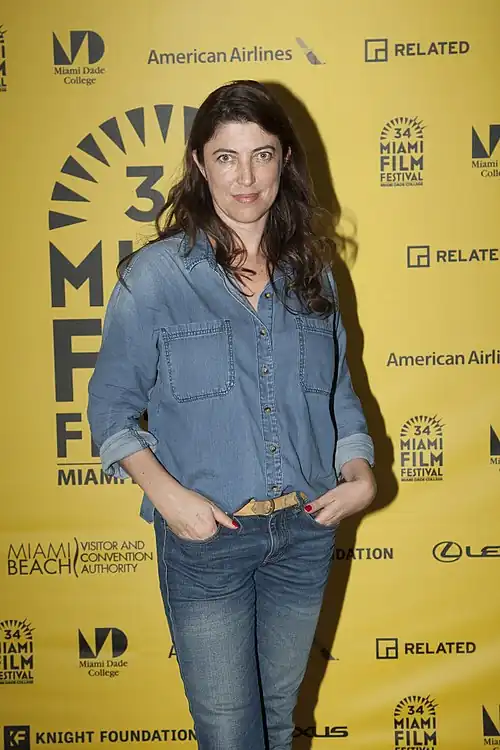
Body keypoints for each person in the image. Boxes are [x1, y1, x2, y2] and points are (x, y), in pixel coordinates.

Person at [87, 79, 376, 750]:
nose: (245, 178)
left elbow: (337, 392)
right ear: (199, 164)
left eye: (262, 155)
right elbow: (110, 411)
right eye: (226, 157)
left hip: (303, 535)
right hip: (206, 542)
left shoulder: (314, 272)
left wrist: (359, 471)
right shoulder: (153, 278)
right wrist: (169, 499)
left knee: (276, 721)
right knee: (228, 735)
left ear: (284, 161)